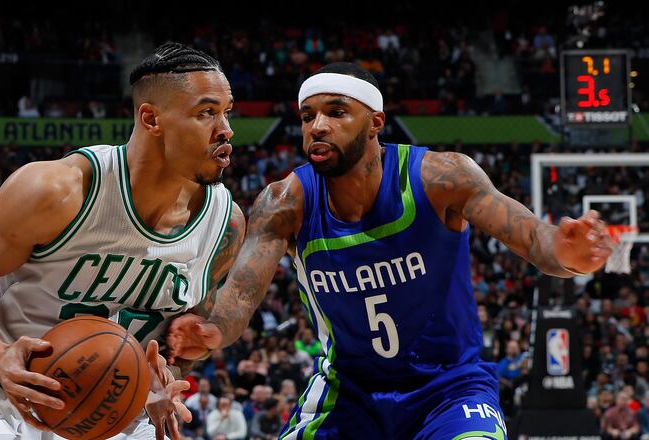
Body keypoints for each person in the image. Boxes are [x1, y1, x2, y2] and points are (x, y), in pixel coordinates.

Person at [168, 62, 613, 438]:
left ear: (375, 122)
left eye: (336, 112)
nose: (317, 126)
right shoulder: (285, 202)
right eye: (307, 116)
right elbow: (241, 293)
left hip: (449, 389)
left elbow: (537, 240)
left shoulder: (441, 178)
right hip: (349, 392)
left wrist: (568, 251)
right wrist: (212, 332)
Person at [0, 42, 245, 440]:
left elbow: (179, 338)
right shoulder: (57, 190)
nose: (226, 129)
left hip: (117, 414)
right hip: (9, 402)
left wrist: (169, 375)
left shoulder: (224, 225)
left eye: (227, 112)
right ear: (151, 119)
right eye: (207, 112)